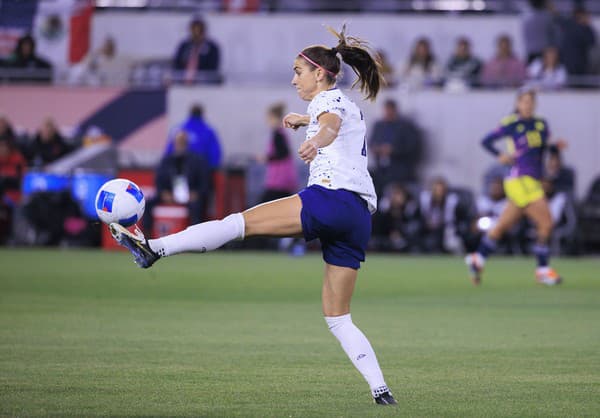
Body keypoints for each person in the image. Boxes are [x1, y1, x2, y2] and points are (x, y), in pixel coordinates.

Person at [110, 25, 397, 405]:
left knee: (235, 224)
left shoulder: (328, 105)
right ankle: (381, 391)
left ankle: (154, 249)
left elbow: (330, 126)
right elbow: (334, 121)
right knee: (338, 318)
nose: (294, 78)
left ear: (320, 74)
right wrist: (304, 122)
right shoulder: (343, 102)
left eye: (298, 70)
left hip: (330, 200)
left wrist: (315, 138)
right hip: (358, 216)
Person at [465, 88, 562, 286]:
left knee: (502, 225)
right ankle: (542, 270)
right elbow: (486, 141)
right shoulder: (511, 124)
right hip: (519, 180)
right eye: (524, 102)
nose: (527, 105)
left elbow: (544, 149)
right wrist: (499, 155)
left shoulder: (541, 124)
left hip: (533, 180)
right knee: (546, 223)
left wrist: (555, 150)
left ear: (534, 104)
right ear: (518, 104)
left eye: (530, 102)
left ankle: (478, 259)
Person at [144, 130, 210, 235]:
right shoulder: (166, 161)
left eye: (183, 141)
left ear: (187, 143)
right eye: (178, 141)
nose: (180, 144)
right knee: (147, 204)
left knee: (197, 206)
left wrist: (196, 194)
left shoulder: (197, 161)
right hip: (169, 194)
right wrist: (163, 193)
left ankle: (195, 237)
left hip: (190, 195)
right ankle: (146, 238)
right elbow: (158, 181)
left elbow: (205, 182)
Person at [369, 99, 424, 194]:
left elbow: (412, 147)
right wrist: (377, 149)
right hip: (381, 169)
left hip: (400, 171)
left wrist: (393, 150)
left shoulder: (406, 127)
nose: (388, 113)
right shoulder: (379, 125)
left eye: (390, 110)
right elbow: (371, 142)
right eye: (386, 110)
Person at [260, 103, 298, 202]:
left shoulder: (278, 134)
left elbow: (283, 153)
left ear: (275, 118)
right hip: (283, 179)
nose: (267, 121)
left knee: (263, 205)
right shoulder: (281, 133)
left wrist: (266, 158)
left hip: (279, 180)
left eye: (269, 118)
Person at [172, 17, 221, 84]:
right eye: (194, 31)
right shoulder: (184, 46)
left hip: (204, 83)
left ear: (203, 32)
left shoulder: (212, 48)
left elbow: (213, 69)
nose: (196, 34)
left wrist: (199, 77)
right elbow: (177, 65)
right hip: (183, 82)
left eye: (199, 31)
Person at [556, 6, 597, 80]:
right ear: (579, 15)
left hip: (580, 63)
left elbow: (592, 42)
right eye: (585, 15)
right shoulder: (571, 25)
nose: (588, 17)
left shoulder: (584, 28)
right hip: (570, 62)